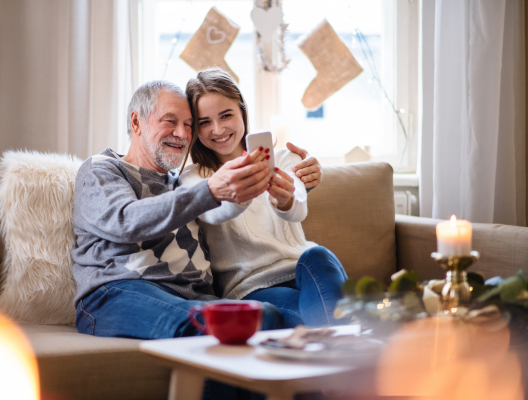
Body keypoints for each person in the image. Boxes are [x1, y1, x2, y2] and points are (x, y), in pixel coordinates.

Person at [71, 80, 321, 339]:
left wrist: (297, 185)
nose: (181, 133)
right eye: (170, 121)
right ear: (136, 122)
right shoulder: (103, 168)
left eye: (189, 125)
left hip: (193, 297)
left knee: (265, 315)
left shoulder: (182, 183)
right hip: (118, 292)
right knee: (213, 324)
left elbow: (232, 213)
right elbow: (126, 220)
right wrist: (211, 190)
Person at [180, 68, 348, 328]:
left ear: (242, 113)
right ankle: (352, 347)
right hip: (252, 288)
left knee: (318, 254)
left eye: (226, 115)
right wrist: (242, 188)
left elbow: (298, 208)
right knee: (325, 318)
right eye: (204, 122)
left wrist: (285, 200)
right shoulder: (194, 178)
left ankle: (340, 348)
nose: (218, 129)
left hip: (304, 270)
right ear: (195, 128)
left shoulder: (282, 158)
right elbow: (214, 211)